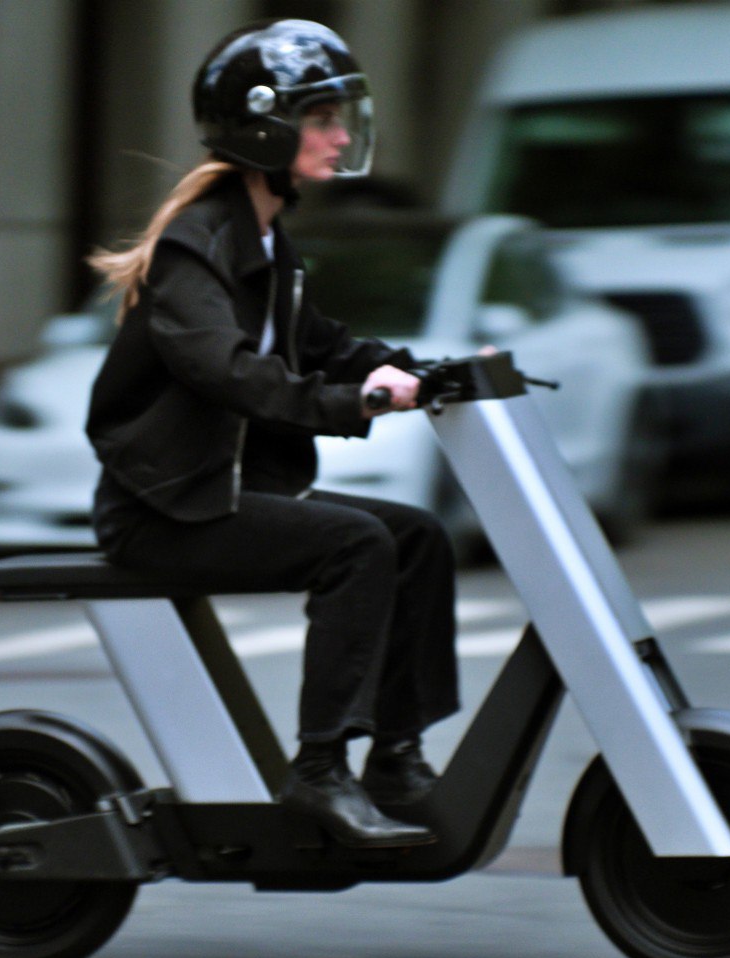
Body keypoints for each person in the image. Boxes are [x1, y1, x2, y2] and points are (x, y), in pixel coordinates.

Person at [84, 20, 457, 849]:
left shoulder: (262, 237)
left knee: (420, 538)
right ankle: (321, 772)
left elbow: (318, 341)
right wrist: (352, 405)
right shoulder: (195, 247)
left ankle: (397, 753)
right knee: (357, 546)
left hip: (227, 492)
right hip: (167, 509)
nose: (338, 133)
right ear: (264, 127)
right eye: (319, 117)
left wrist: (422, 373)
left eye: (337, 116)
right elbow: (223, 370)